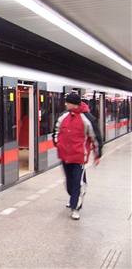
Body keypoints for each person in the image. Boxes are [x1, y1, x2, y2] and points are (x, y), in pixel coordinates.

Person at [53, 92, 103, 220]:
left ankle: (76, 208)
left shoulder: (87, 119)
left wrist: (98, 154)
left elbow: (95, 137)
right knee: (69, 182)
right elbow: (56, 131)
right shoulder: (63, 117)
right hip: (65, 155)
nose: (65, 104)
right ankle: (73, 198)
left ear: (73, 104)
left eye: (67, 102)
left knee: (77, 183)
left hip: (79, 157)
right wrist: (58, 144)